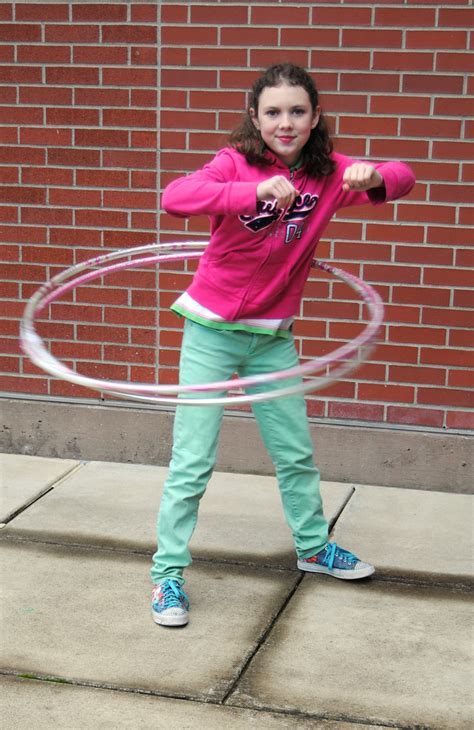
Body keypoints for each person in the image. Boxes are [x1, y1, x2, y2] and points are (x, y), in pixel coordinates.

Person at [150, 63, 415, 627]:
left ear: (315, 117)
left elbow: (403, 174)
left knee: (295, 453)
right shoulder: (234, 162)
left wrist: (373, 176)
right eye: (273, 112)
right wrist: (249, 191)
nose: (285, 123)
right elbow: (177, 196)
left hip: (272, 339)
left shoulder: (328, 175)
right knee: (192, 462)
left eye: (297, 111)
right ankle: (166, 576)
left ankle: (314, 548)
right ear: (255, 117)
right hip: (211, 333)